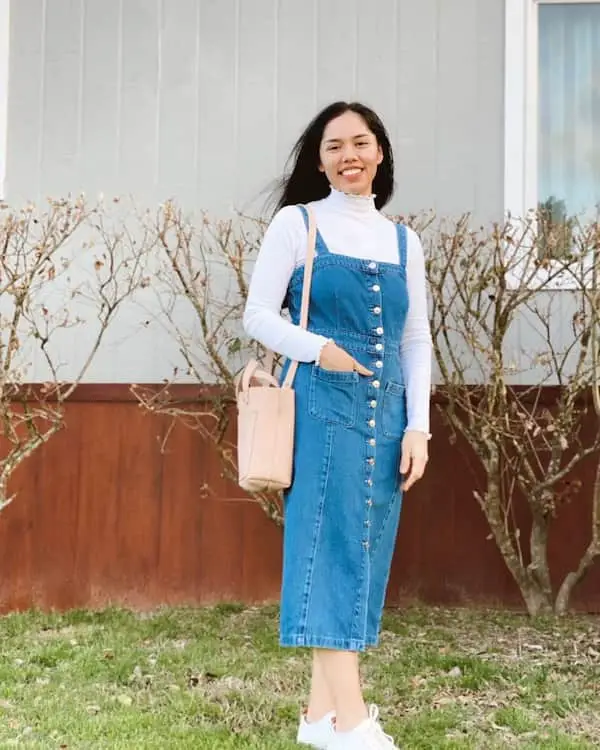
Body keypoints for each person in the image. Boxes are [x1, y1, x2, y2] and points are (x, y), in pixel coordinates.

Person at [243, 101, 432, 750]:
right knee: (328, 553)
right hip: (321, 406)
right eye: (333, 146)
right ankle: (354, 723)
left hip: (387, 419)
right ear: (319, 160)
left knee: (364, 558)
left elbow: (418, 341)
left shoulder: (406, 241)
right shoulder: (297, 225)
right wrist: (315, 348)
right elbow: (258, 316)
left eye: (360, 142)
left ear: (380, 151)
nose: (348, 154)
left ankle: (318, 719)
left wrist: (419, 427)